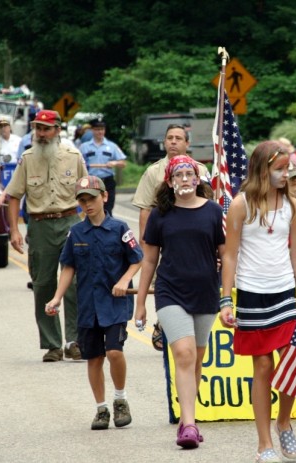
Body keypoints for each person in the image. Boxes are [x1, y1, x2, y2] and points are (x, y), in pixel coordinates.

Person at [219, 140, 296, 463]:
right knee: (262, 366)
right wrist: (225, 301)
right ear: (262, 169)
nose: (286, 175)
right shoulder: (240, 205)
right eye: (280, 169)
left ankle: (284, 421)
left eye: (288, 169)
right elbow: (229, 256)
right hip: (251, 295)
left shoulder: (294, 205)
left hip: (285, 292)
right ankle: (264, 444)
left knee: (292, 361)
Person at [134, 155, 225, 449]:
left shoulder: (213, 211)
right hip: (170, 291)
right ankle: (188, 425)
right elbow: (149, 260)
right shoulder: (161, 214)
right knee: (184, 354)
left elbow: (227, 256)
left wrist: (227, 295)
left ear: (198, 180)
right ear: (170, 181)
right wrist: (140, 303)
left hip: (205, 293)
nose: (185, 179)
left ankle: (190, 415)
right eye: (179, 175)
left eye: (190, 174)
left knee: (195, 359)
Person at [46, 176, 143, 430]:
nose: (87, 204)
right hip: (88, 306)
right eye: (82, 200)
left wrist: (125, 280)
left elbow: (137, 259)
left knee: (114, 351)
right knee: (94, 358)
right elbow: (68, 267)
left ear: (105, 197)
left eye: (92, 198)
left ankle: (120, 399)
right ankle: (101, 408)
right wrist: (57, 297)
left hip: (115, 304)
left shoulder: (121, 229)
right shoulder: (76, 233)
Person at [5, 109, 88, 362]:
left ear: (57, 130)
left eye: (46, 128)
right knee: (43, 284)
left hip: (70, 222)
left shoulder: (73, 156)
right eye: (38, 128)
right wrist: (15, 230)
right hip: (40, 225)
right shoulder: (28, 159)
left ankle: (74, 341)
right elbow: (14, 196)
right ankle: (52, 344)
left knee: (74, 283)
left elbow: (88, 191)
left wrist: (90, 225)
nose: (41, 133)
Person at [132, 124, 210, 351]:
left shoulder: (200, 171)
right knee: (162, 281)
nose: (173, 142)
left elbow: (209, 203)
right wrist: (145, 240)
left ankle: (177, 326)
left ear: (187, 143)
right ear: (164, 143)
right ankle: (164, 321)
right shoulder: (154, 172)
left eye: (178, 138)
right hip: (165, 236)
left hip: (195, 237)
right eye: (169, 138)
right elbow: (146, 209)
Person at [79, 118, 127, 215]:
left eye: (102, 129)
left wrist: (115, 163)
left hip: (107, 182)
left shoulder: (112, 146)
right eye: (97, 129)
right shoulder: (84, 147)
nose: (100, 132)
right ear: (92, 130)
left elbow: (123, 163)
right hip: (91, 182)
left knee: (107, 209)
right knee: (91, 209)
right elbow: (78, 163)